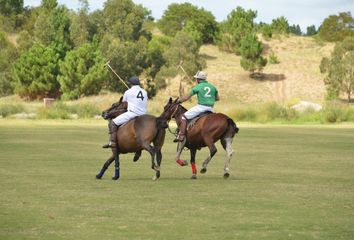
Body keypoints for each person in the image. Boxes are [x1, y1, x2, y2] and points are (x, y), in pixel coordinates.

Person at [102, 76, 148, 148]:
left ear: (131, 84)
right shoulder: (144, 92)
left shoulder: (128, 92)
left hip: (132, 113)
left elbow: (123, 104)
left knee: (113, 123)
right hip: (144, 115)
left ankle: (113, 142)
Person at [174, 70, 219, 142]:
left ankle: (181, 136)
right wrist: (209, 98)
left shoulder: (197, 87)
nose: (196, 80)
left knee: (184, 117)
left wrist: (179, 101)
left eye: (196, 78)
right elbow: (217, 98)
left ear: (198, 79)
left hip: (201, 107)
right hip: (210, 108)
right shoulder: (213, 87)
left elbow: (186, 98)